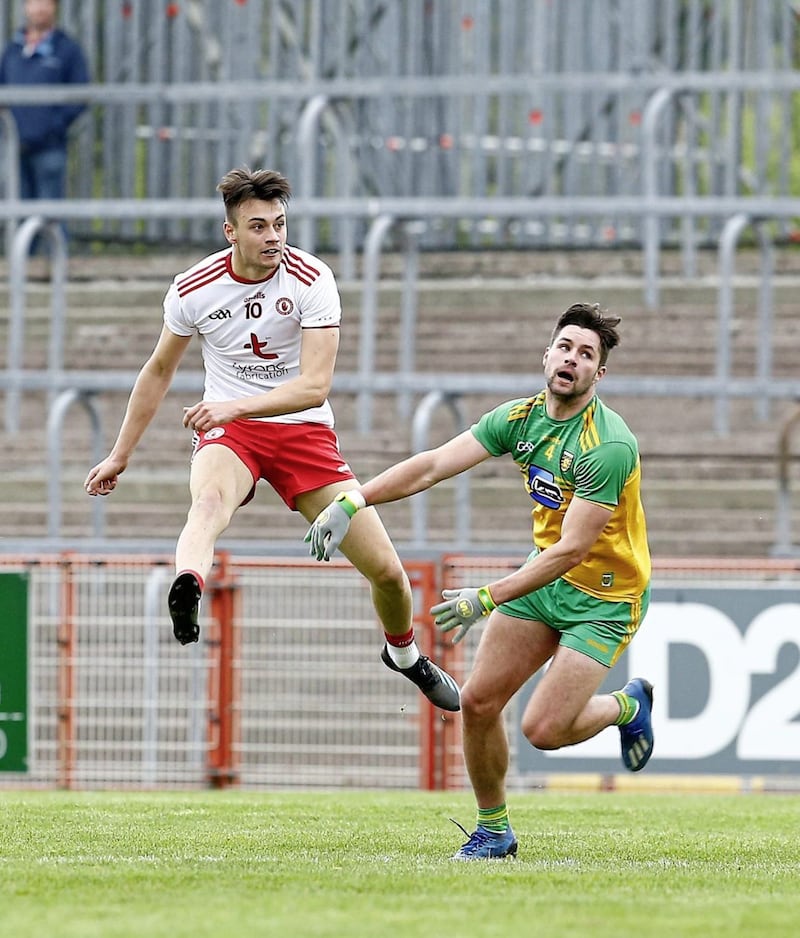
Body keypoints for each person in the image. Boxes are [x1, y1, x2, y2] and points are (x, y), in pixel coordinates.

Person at [83, 167, 460, 715]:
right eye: (258, 226)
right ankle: (188, 585)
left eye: (280, 224)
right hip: (232, 433)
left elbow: (314, 387)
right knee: (208, 503)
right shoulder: (194, 288)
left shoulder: (311, 279)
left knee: (389, 574)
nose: (274, 237)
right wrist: (120, 454)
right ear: (230, 232)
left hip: (302, 434)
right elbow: (158, 370)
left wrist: (231, 404)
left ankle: (403, 656)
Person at [306, 302, 653, 860]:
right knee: (479, 702)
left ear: (598, 375)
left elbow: (570, 551)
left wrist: (485, 598)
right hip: (544, 583)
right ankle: (494, 831)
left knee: (543, 729)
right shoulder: (519, 419)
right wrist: (354, 498)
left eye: (586, 354)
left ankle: (627, 708)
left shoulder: (607, 446)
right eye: (565, 347)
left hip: (604, 599)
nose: (572, 359)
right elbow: (433, 465)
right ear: (547, 356)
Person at [0, 0, 89, 201]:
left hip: (50, 148)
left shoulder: (67, 49)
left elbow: (80, 95)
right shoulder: (12, 49)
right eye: (34, 2)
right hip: (14, 148)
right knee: (18, 214)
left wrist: (53, 127)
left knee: (50, 217)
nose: (40, 8)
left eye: (45, 3)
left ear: (55, 7)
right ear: (25, 7)